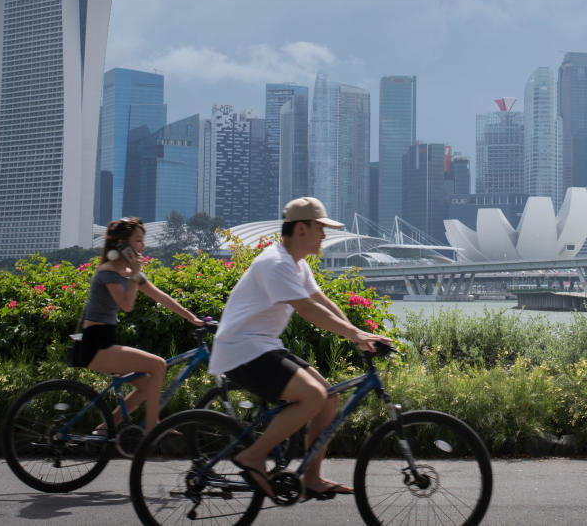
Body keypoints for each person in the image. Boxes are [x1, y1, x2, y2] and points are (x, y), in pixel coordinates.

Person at [209, 196, 391, 503]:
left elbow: (322, 302)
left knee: (329, 398)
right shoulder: (275, 263)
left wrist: (358, 335)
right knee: (313, 396)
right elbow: (308, 310)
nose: (324, 235)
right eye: (321, 228)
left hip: (263, 346)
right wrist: (354, 333)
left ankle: (312, 478)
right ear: (302, 228)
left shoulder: (297, 264)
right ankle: (253, 457)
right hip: (241, 350)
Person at [79, 216, 203, 431]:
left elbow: (161, 297)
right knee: (158, 365)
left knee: (148, 385)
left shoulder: (129, 273)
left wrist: (191, 318)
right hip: (96, 345)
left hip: (107, 341)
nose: (143, 245)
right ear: (122, 244)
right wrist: (135, 274)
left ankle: (106, 428)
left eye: (142, 240)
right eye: (137, 240)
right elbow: (127, 306)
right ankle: (153, 428)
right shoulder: (108, 272)